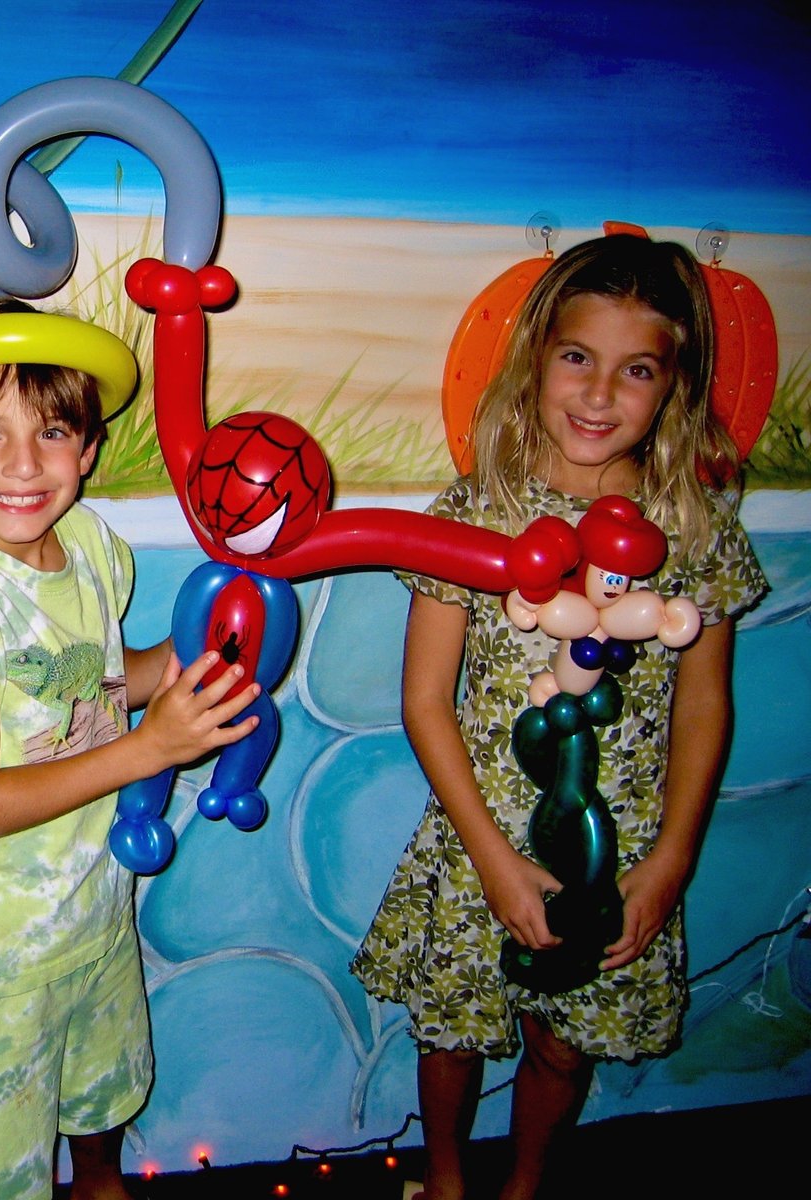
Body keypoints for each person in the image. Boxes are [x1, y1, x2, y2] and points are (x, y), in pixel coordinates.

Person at [351, 232, 768, 1200]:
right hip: (478, 841)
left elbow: (707, 702)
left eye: (636, 370)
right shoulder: (472, 511)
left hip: (615, 851)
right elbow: (424, 703)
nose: (597, 394)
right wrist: (494, 862)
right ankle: (448, 1181)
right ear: (535, 357)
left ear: (671, 387)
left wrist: (668, 862)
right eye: (576, 358)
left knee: (562, 1042)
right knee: (450, 1032)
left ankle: (525, 1185)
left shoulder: (695, 532)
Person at [0, 298, 262, 1200]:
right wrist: (154, 749)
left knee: (96, 1087)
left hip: (88, 902)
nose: (26, 466)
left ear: (90, 446)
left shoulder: (85, 541)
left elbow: (104, 680)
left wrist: (194, 667)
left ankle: (100, 1182)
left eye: (54, 431)